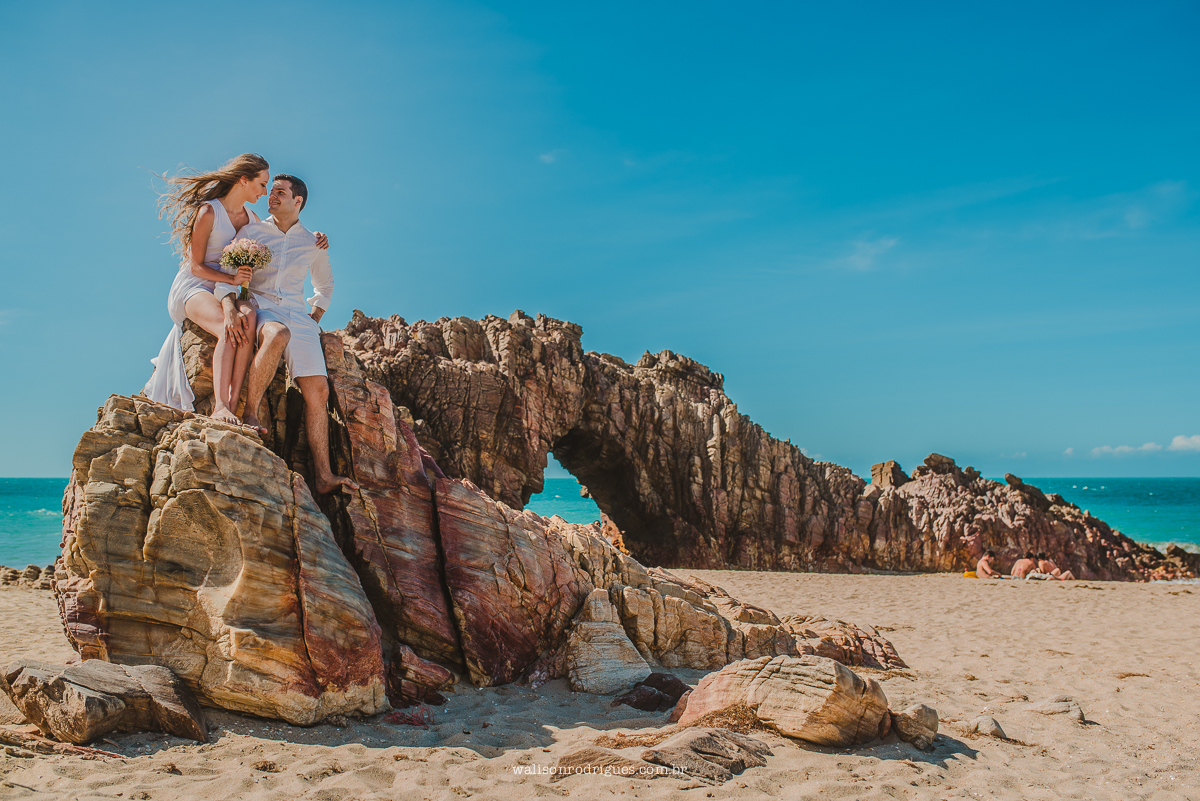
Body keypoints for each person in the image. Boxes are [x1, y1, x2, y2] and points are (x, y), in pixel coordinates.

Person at [145, 154, 329, 421]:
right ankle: (220, 405)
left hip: (227, 286)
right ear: (244, 180)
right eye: (262, 184)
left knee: (250, 318)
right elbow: (196, 266)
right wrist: (231, 284)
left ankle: (233, 404)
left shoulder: (251, 220)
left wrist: (317, 238)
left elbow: (274, 236)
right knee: (227, 326)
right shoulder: (210, 211)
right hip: (196, 285)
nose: (265, 192)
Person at [217, 174, 357, 496]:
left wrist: (316, 314)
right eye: (272, 192)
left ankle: (323, 475)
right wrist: (231, 305)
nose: (272, 196)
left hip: (299, 314)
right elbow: (228, 273)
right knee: (277, 334)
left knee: (318, 392)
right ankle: (251, 413)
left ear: (298, 202)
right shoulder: (251, 232)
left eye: (280, 192)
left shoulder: (313, 241)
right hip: (262, 305)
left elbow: (325, 284)